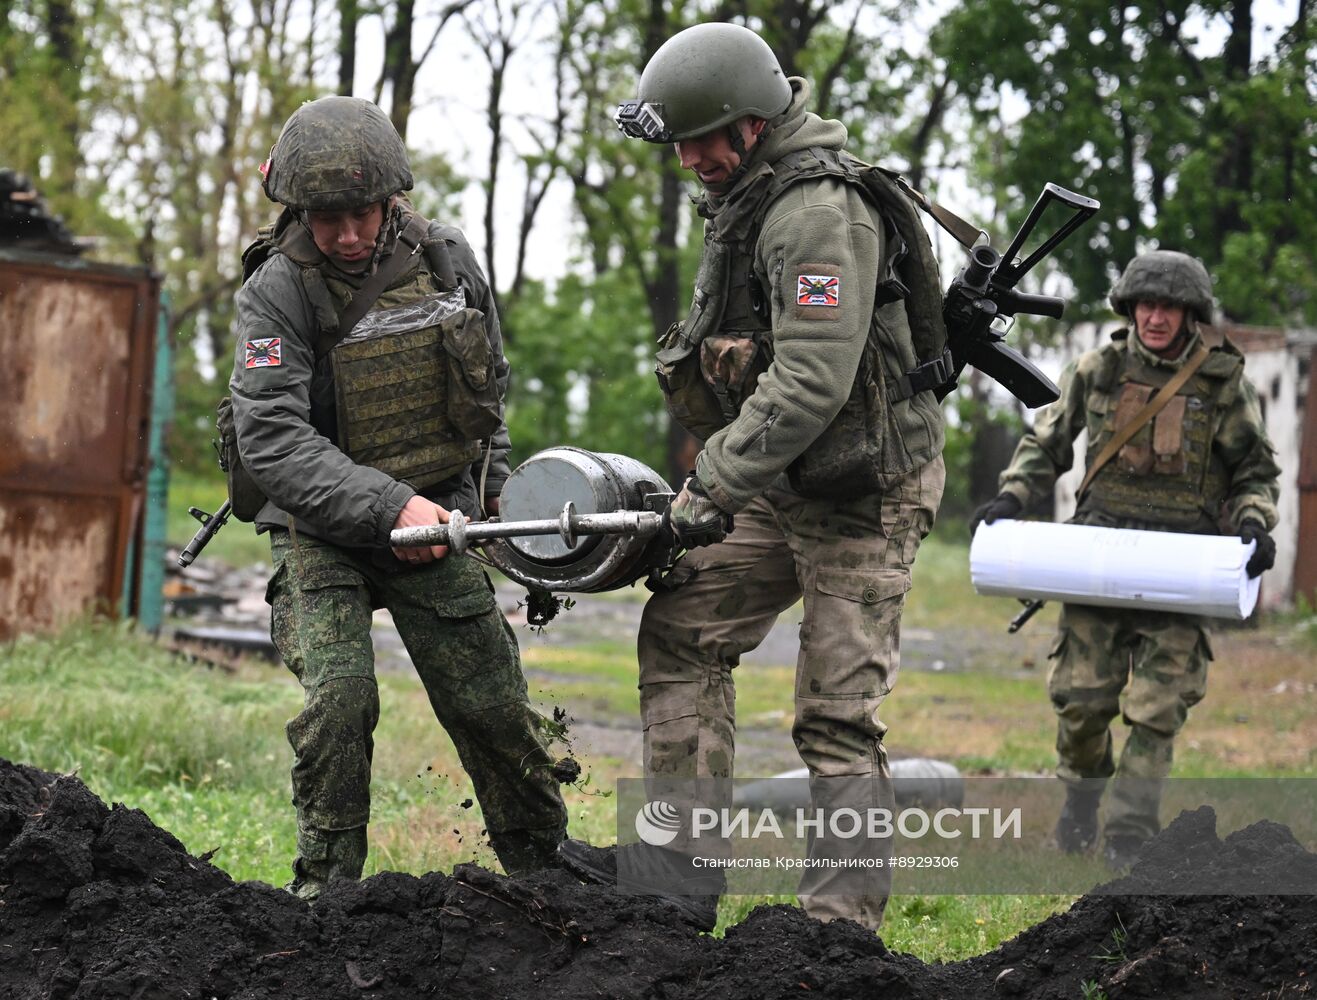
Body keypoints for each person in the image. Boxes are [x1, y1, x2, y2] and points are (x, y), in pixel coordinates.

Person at [558, 22, 948, 931]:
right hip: (786, 484)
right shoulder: (745, 194)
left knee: (833, 714)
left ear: (753, 123)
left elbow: (812, 378)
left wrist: (713, 485)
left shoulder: (815, 215)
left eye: (702, 137)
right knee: (684, 628)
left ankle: (834, 939)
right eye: (680, 141)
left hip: (867, 493)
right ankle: (679, 887)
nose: (689, 158)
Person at [229, 96, 567, 900]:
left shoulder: (447, 261)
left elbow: (485, 402)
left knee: (491, 706)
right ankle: (326, 896)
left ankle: (552, 881)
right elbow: (272, 439)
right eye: (326, 218)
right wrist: (387, 509)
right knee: (341, 702)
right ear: (299, 211)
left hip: (436, 520)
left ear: (392, 199)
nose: (347, 235)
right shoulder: (276, 290)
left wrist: (487, 506)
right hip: (320, 530)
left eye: (362, 214)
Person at [971, 250, 1281, 870]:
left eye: (1168, 306)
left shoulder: (1223, 383)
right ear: (1130, 307)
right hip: (1097, 558)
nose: (1155, 316)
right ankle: (1081, 806)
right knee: (1082, 703)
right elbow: (1048, 441)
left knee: (1157, 712)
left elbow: (1255, 470)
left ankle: (1129, 836)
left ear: (1190, 313)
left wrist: (1253, 522)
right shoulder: (1099, 370)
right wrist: (1012, 495)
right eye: (1145, 304)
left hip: (1183, 570)